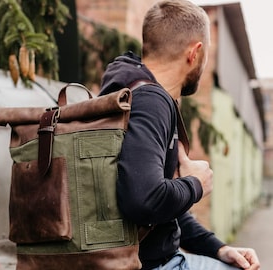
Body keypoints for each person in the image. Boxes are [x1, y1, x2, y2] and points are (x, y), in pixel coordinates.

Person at [99, 0, 260, 269]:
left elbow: (161, 212)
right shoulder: (152, 101)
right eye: (206, 55)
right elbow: (144, 198)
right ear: (194, 53)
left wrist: (219, 248)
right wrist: (196, 184)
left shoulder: (126, 92)